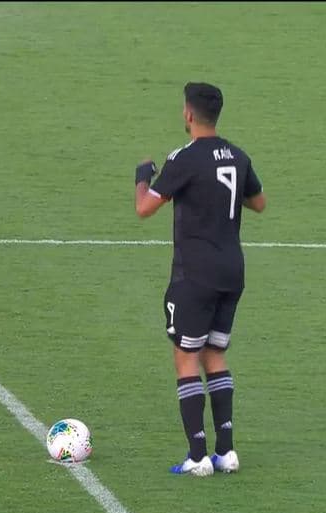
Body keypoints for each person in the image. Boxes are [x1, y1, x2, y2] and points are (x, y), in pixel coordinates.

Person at [133, 82, 267, 476]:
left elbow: (144, 208)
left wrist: (143, 177)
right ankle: (226, 452)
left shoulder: (183, 158)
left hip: (195, 274)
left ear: (189, 114)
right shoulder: (238, 156)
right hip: (232, 271)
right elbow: (258, 203)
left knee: (186, 356)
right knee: (215, 354)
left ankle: (197, 457)